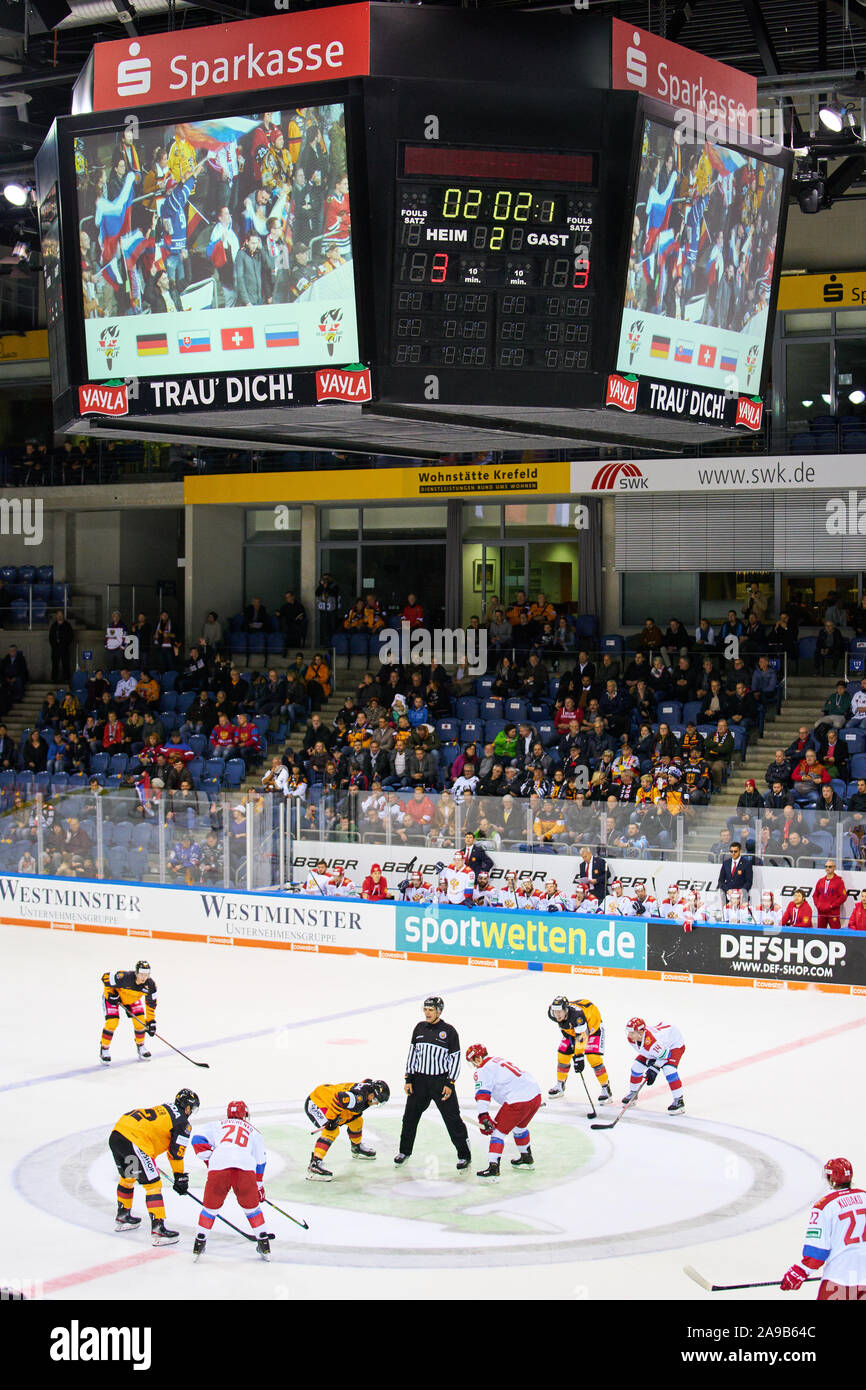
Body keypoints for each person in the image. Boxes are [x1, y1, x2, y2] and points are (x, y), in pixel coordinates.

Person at [108, 1088, 199, 1245]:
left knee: (128, 1177)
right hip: (134, 1141)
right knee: (153, 1185)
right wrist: (180, 1176)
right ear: (188, 1107)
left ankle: (123, 1216)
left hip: (117, 1134)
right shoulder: (183, 1123)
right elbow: (176, 1153)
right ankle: (158, 1229)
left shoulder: (165, 1108)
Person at [395, 995, 471, 1170]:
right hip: (419, 1081)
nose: (427, 1013)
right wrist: (408, 1078)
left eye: (431, 1010)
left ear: (439, 1011)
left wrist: (450, 1083)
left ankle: (464, 1155)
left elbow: (455, 1059)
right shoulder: (419, 1028)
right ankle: (404, 1151)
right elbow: (412, 1054)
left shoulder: (449, 1031)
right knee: (409, 1118)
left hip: (440, 1082)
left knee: (452, 1119)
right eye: (425, 1009)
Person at [190, 1101, 272, 1261]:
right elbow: (261, 1161)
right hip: (245, 1168)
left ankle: (199, 1243)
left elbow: (197, 1140)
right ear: (245, 1114)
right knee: (252, 1209)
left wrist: (211, 1158)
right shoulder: (254, 1131)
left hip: (219, 1166)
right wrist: (259, 1185)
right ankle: (264, 1245)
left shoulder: (217, 1125)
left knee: (209, 1209)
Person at [781, 1157, 866, 1300]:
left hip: (839, 1281)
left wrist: (800, 1271)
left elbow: (817, 1253)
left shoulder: (824, 1206)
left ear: (832, 1179)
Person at [466, 1041, 542, 1181]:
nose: (474, 1065)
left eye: (473, 1061)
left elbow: (483, 1094)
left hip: (518, 1100)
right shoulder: (497, 1060)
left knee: (498, 1132)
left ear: (477, 1058)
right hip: (535, 1095)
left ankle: (493, 1169)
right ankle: (526, 1158)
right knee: (520, 1127)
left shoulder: (482, 1069)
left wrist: (483, 1116)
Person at [305, 1078, 390, 1181]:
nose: (376, 1104)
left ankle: (356, 1148)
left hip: (329, 1097)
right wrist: (331, 1120)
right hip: (317, 1102)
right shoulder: (358, 1098)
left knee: (357, 1121)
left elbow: (365, 1081)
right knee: (332, 1130)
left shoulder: (368, 1089)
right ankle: (315, 1163)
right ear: (372, 1095)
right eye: (377, 1101)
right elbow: (340, 1098)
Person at [546, 995, 612, 1104]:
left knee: (593, 1058)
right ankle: (560, 1085)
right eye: (555, 1011)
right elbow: (563, 1026)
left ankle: (606, 1088)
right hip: (574, 1030)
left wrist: (579, 1057)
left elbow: (581, 1038)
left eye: (559, 1012)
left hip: (593, 1029)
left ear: (566, 1010)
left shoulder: (578, 1016)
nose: (557, 1015)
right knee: (563, 1053)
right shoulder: (553, 1014)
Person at [622, 1016, 686, 1114]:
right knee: (636, 1067)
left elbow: (666, 1055)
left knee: (669, 1070)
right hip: (659, 1047)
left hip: (673, 1044)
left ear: (640, 1032)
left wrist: (654, 1068)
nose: (629, 1035)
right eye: (628, 1032)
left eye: (632, 1032)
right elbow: (646, 1052)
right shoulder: (633, 1039)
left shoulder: (652, 1042)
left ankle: (679, 1101)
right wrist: (651, 1063)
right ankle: (633, 1094)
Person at [99, 960, 157, 1064]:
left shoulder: (150, 985)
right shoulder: (124, 977)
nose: (143, 977)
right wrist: (110, 995)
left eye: (146, 974)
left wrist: (151, 1021)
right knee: (112, 1022)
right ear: (136, 973)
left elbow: (151, 1004)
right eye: (141, 974)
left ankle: (141, 1045)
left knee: (141, 1022)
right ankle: (104, 1048)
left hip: (131, 999)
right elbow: (105, 977)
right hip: (115, 997)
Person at [812, 860, 847, 930]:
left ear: (834, 868)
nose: (827, 868)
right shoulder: (820, 881)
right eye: (826, 867)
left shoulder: (839, 881)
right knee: (820, 933)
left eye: (830, 867)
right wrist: (818, 905)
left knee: (836, 933)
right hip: (821, 912)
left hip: (833, 913)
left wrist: (832, 906)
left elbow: (843, 897)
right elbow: (815, 895)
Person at [48, 609, 74, 684]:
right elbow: (51, 637)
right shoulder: (54, 625)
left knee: (65, 664)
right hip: (55, 649)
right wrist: (54, 645)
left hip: (64, 648)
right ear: (56, 616)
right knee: (55, 664)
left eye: (60, 615)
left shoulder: (67, 625)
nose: (59, 616)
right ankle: (54, 679)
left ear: (63, 615)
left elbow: (70, 636)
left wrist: (65, 644)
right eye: (58, 615)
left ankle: (66, 679)